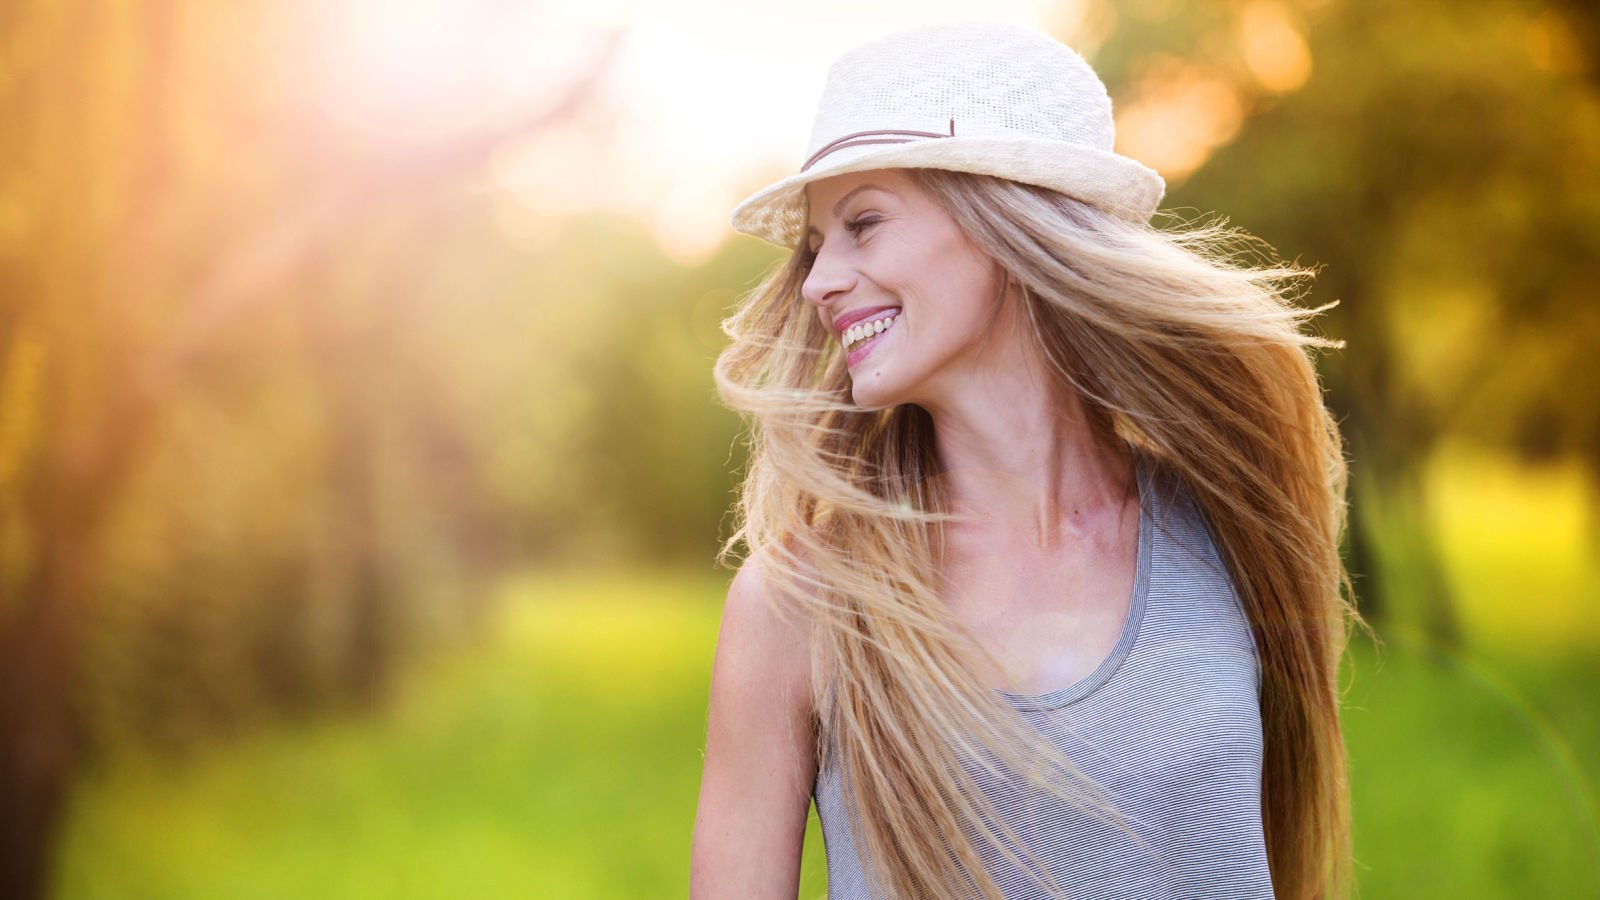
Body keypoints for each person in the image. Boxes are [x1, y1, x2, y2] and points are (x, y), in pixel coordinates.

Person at [690, 21, 1368, 900]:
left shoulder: (1228, 524)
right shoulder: (799, 606)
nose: (819, 283)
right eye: (817, 247)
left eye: (863, 224)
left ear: (1005, 223)